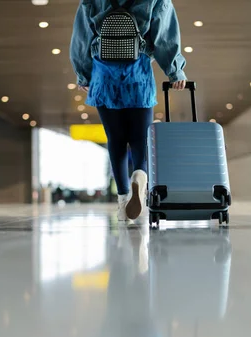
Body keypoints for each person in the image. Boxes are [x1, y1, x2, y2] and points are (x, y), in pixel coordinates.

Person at [70, 0, 188, 222]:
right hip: (138, 71)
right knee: (140, 137)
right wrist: (175, 72)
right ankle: (140, 174)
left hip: (103, 72)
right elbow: (165, 33)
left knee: (115, 138)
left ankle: (124, 197)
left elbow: (81, 37)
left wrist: (84, 74)